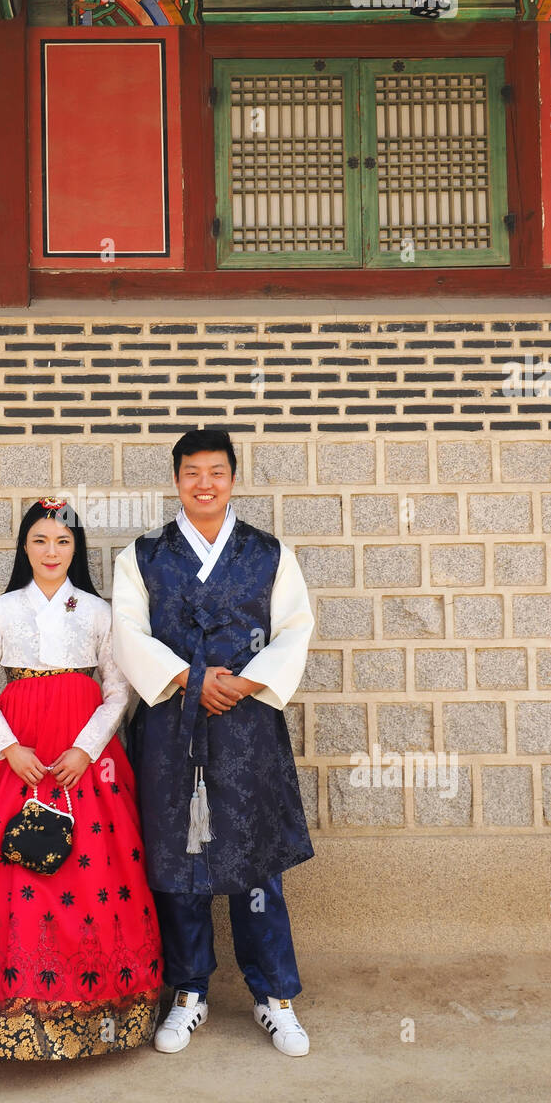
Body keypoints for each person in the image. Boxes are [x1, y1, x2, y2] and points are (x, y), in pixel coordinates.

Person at [0, 498, 162, 1060]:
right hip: (15, 756)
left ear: (76, 550)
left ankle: (97, 1013)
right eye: (40, 540)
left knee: (96, 871)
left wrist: (86, 750)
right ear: (25, 546)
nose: (51, 551)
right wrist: (8, 747)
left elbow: (119, 689)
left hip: (81, 761)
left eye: (62, 542)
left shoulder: (97, 613)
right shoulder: (0, 612)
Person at [111, 429, 315, 1057]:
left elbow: (294, 628)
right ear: (177, 480)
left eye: (217, 472)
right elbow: (127, 634)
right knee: (177, 864)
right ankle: (188, 991)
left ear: (232, 478)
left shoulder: (268, 553)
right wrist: (188, 680)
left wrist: (242, 682)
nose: (205, 484)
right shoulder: (141, 556)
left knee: (256, 860)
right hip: (171, 726)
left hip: (247, 724)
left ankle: (274, 996)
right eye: (193, 472)